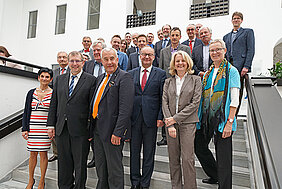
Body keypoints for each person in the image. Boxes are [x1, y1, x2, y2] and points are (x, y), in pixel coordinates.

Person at [47, 51, 96, 188]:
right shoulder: (59, 79)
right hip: (61, 128)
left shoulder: (91, 80)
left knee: (80, 164)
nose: (74, 64)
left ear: (83, 62)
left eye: (77, 61)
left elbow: (92, 108)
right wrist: (50, 124)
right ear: (68, 62)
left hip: (80, 130)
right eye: (72, 61)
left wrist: (91, 131)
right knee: (63, 162)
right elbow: (54, 103)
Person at [196, 39, 240, 188]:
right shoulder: (208, 72)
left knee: (224, 158)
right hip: (207, 119)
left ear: (225, 51)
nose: (214, 53)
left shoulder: (231, 71)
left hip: (223, 120)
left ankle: (225, 185)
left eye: (218, 50)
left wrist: (229, 122)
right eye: (212, 50)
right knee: (199, 147)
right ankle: (215, 175)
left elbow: (235, 100)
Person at [89, 48, 134, 189]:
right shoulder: (100, 78)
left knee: (114, 171)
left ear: (117, 59)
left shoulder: (124, 77)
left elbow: (125, 109)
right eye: (106, 59)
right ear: (101, 61)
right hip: (98, 130)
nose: (109, 62)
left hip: (112, 132)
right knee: (101, 168)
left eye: (112, 59)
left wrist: (118, 132)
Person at [162, 51, 201, 189]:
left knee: (187, 159)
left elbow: (195, 103)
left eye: (183, 61)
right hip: (170, 125)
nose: (180, 63)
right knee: (173, 159)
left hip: (188, 124)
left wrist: (174, 119)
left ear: (187, 63)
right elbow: (164, 103)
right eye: (177, 61)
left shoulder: (196, 80)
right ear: (173, 64)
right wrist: (170, 124)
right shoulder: (168, 81)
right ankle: (176, 186)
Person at [128, 46, 166, 189]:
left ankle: (145, 183)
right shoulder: (131, 73)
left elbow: (163, 97)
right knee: (134, 152)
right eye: (144, 54)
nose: (146, 57)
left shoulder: (161, 74)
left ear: (154, 57)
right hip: (134, 118)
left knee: (149, 153)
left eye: (149, 55)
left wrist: (160, 117)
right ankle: (135, 181)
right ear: (140, 56)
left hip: (151, 119)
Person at [158, 27, 191, 146]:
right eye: (173, 35)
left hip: (182, 82)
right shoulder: (163, 51)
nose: (175, 37)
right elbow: (161, 68)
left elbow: (189, 65)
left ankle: (181, 132)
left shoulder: (186, 49)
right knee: (166, 108)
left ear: (180, 37)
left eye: (177, 35)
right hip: (168, 83)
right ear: (170, 36)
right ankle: (164, 136)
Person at [22, 67, 54, 189]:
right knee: (32, 154)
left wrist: (52, 127)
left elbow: (54, 112)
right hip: (33, 126)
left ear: (50, 79)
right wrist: (25, 128)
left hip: (45, 128)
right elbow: (26, 111)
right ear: (38, 77)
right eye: (42, 76)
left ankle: (42, 181)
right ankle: (31, 180)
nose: (44, 79)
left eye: (47, 77)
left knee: (43, 154)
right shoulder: (31, 92)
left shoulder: (53, 93)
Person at [223, 11, 255, 115]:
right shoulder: (226, 36)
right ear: (231, 20)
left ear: (241, 20)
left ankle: (234, 115)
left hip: (240, 67)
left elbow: (251, 50)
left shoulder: (247, 32)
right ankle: (226, 114)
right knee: (227, 90)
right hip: (228, 66)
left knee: (238, 91)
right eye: (234, 18)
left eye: (238, 18)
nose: (236, 20)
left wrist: (246, 66)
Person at [83, 40, 106, 168]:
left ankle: (102, 156)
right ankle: (95, 157)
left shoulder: (108, 63)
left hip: (106, 104)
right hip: (90, 103)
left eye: (99, 50)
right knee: (91, 130)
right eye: (95, 50)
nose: (96, 52)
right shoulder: (88, 65)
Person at [48, 51, 69, 162]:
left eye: (64, 57)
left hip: (67, 104)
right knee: (54, 127)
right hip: (56, 103)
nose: (62, 59)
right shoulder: (54, 72)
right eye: (59, 57)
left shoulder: (72, 70)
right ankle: (56, 152)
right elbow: (50, 86)